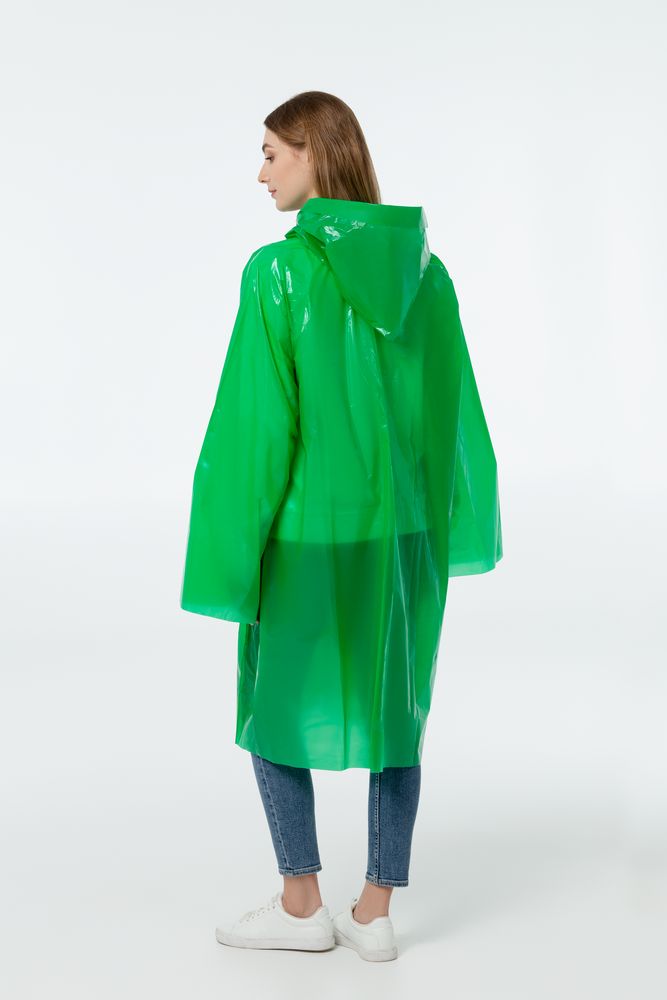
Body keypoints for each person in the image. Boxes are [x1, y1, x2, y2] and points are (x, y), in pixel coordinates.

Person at [180, 91, 503, 961]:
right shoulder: (426, 274)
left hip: (307, 535)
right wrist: (440, 523)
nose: (261, 173)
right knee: (398, 709)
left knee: (271, 704)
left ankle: (300, 905)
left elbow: (256, 430)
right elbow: (449, 418)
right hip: (401, 537)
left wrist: (230, 548)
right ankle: (374, 911)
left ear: (315, 155)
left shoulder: (277, 272)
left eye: (271, 154)